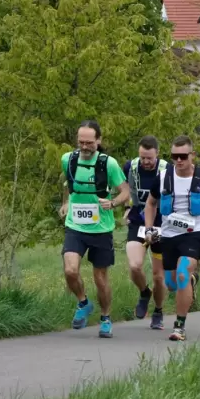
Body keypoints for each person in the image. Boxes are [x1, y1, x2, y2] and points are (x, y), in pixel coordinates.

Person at [143, 135, 200, 341]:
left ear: (192, 155)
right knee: (171, 283)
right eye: (174, 156)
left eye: (183, 156)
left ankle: (179, 326)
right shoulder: (162, 177)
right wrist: (149, 228)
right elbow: (151, 203)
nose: (179, 160)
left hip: (193, 235)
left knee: (182, 273)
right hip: (168, 236)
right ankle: (191, 282)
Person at [60, 120, 130, 338]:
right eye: (81, 142)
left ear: (98, 141)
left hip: (101, 227)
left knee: (100, 278)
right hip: (76, 225)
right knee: (70, 270)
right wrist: (65, 203)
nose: (84, 146)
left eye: (89, 142)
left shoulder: (108, 164)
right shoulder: (67, 159)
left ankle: (106, 317)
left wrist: (114, 203)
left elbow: (125, 191)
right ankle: (83, 302)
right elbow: (67, 183)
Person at [123, 135, 168, 329]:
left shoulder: (167, 170)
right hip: (138, 221)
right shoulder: (130, 167)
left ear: (157, 154)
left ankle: (158, 310)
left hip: (160, 224)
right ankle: (144, 292)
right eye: (142, 157)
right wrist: (125, 207)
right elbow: (124, 190)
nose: (146, 162)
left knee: (159, 276)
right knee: (135, 265)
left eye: (149, 158)